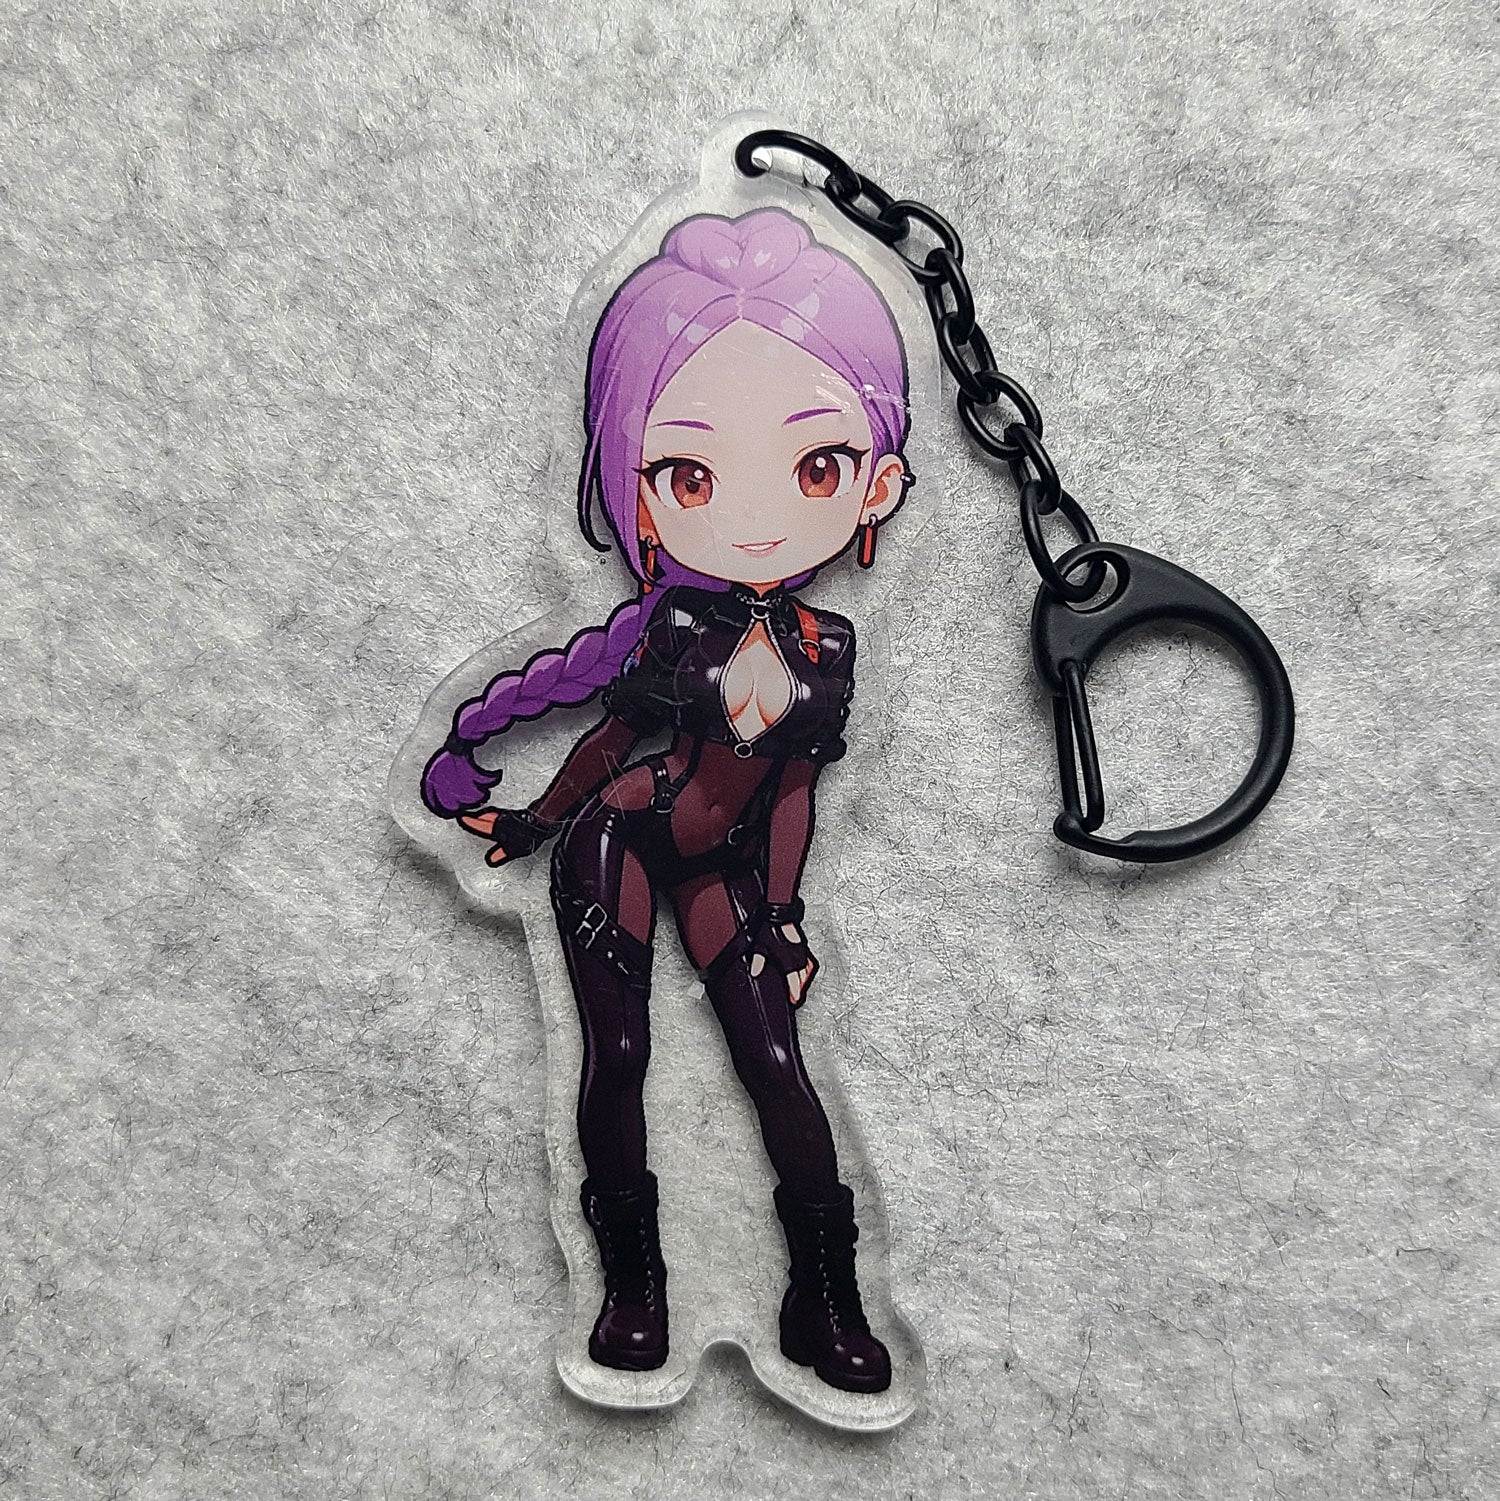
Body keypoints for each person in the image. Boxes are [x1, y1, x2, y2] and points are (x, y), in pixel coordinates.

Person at [421, 208, 911, 1394]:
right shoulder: (674, 621)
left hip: (728, 866)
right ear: (641, 493)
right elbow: (603, 726)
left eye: (816, 466)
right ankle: (631, 1289)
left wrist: (784, 919)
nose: (754, 513)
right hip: (622, 840)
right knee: (621, 1050)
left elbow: (791, 791)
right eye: (690, 473)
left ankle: (825, 1296)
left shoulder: (829, 647)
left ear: (877, 484)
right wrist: (531, 814)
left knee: (776, 1059)